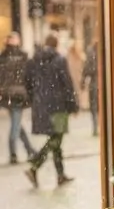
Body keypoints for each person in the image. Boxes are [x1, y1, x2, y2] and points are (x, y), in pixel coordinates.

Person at [23, 32, 78, 187]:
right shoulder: (59, 60)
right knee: (56, 139)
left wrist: (35, 98)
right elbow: (67, 83)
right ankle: (35, 166)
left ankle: (60, 175)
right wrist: (72, 105)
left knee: (55, 139)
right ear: (56, 44)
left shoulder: (34, 60)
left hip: (42, 106)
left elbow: (27, 81)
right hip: (58, 106)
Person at [0, 31, 34, 164]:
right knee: (16, 124)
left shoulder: (3, 56)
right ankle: (13, 153)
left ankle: (29, 150)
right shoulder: (21, 56)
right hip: (18, 95)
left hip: (9, 95)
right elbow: (28, 77)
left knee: (17, 123)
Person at [81, 38, 99, 136]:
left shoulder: (91, 52)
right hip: (101, 82)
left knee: (94, 107)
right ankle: (99, 127)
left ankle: (96, 127)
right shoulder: (105, 51)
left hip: (95, 83)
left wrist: (83, 81)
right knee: (98, 106)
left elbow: (87, 68)